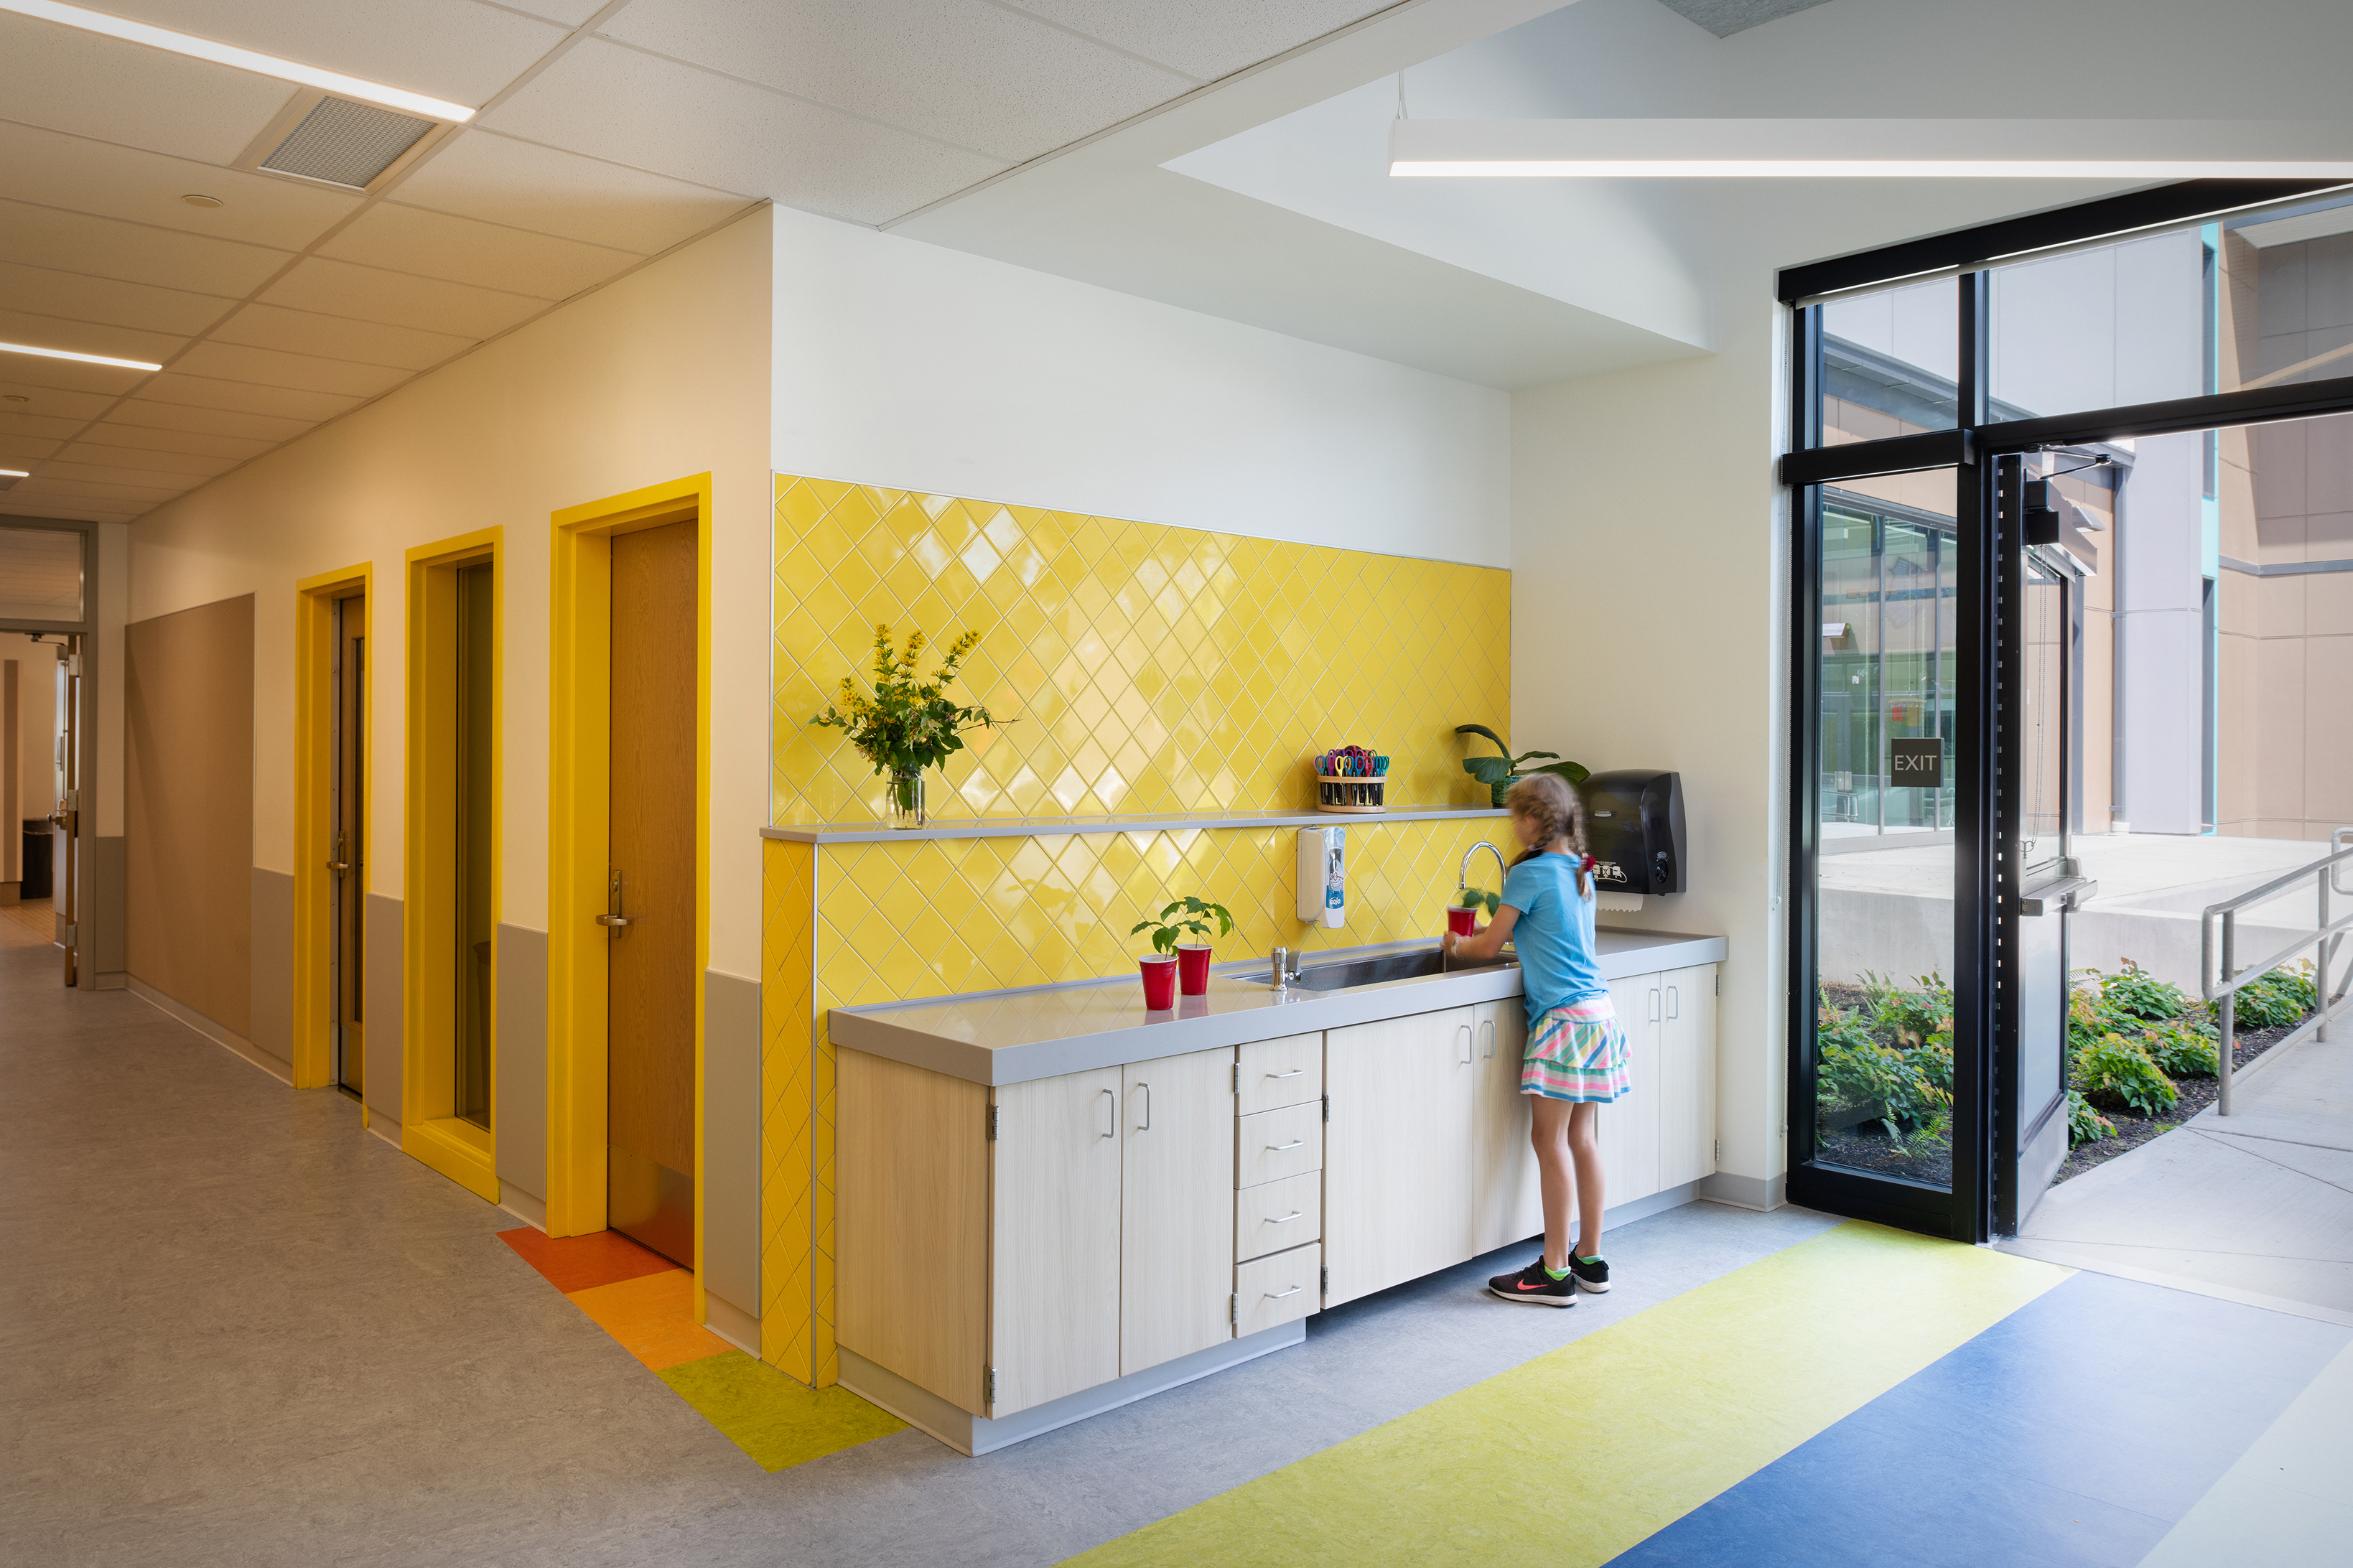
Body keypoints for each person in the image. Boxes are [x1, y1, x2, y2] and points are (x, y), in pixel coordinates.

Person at [1443, 772, 1627, 1307]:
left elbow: (1486, 947)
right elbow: (1541, 935)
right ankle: (1588, 1259)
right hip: (1599, 1016)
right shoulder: (1579, 870)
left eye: (1513, 818)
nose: (1512, 827)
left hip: (1562, 1023)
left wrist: (1454, 943)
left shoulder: (1529, 874)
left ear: (1530, 820)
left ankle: (1553, 1272)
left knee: (1549, 1143)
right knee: (1583, 1140)